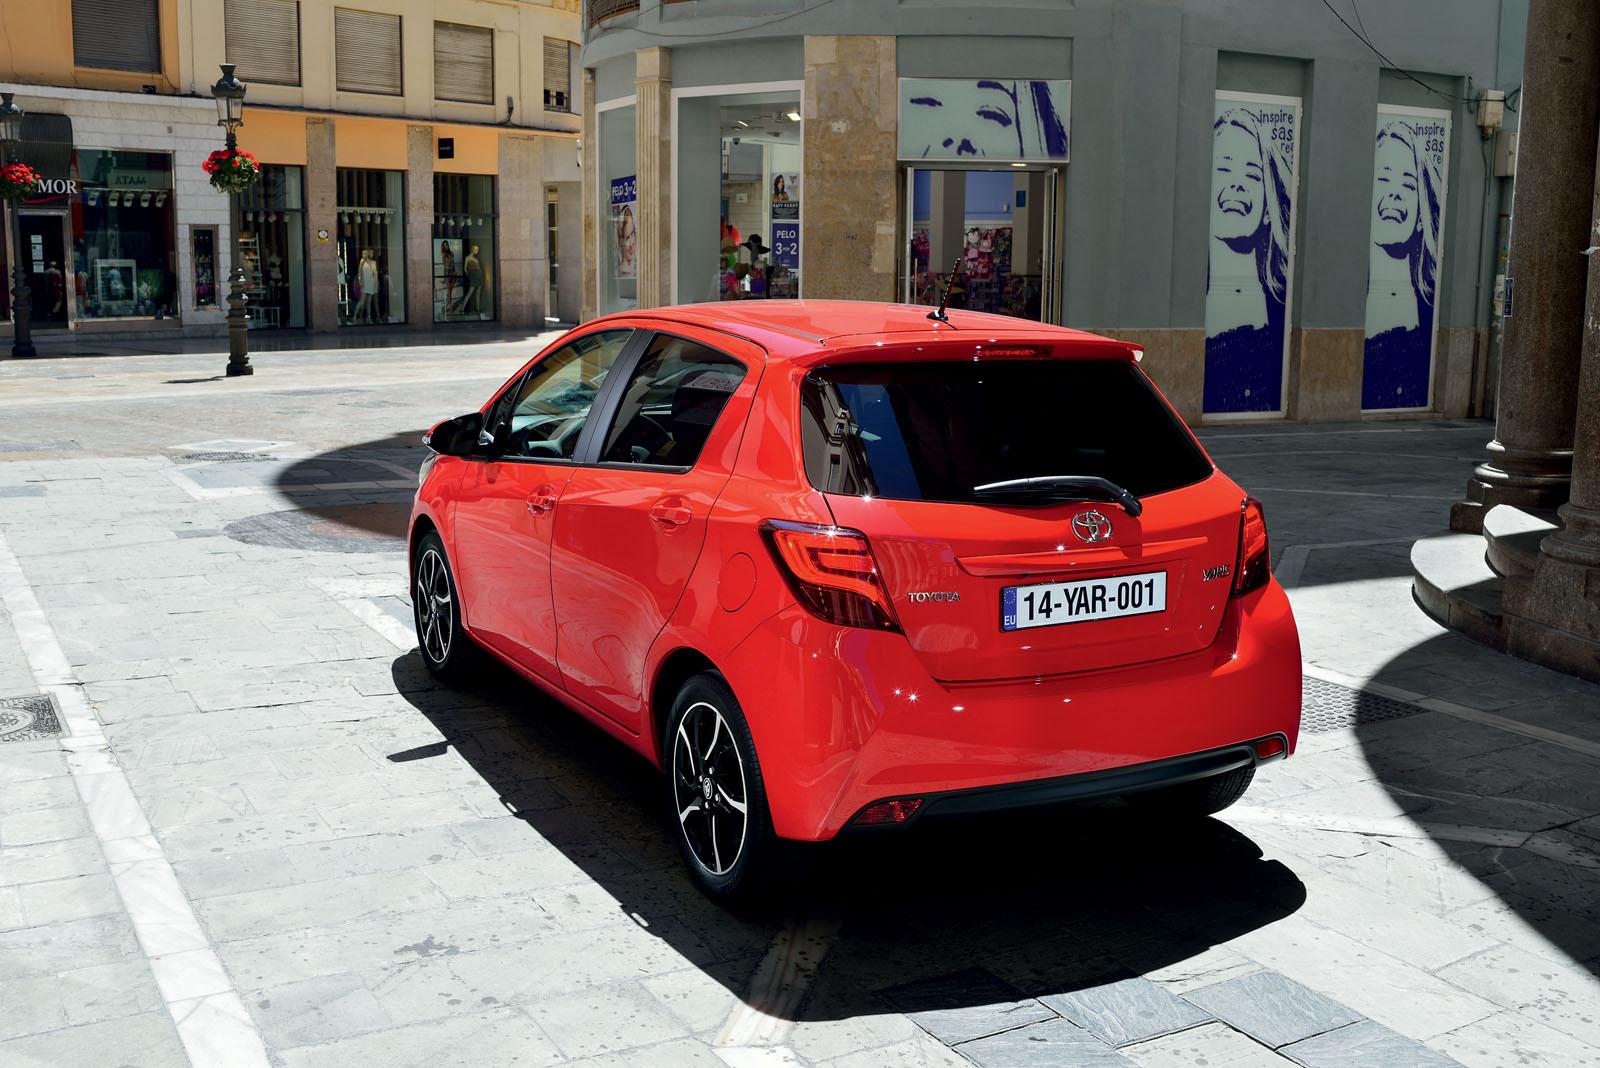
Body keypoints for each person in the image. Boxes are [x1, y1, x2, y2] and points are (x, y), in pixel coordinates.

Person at [1204, 107, 1294, 413]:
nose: (1237, 184)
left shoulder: (1280, 311)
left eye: (1253, 175)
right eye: (1224, 169)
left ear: (1268, 207)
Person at [1362, 121, 1443, 410]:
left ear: (1421, 215)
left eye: (1408, 184)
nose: (1395, 194)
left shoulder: (1427, 312)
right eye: (1384, 179)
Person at [354, 248, 380, 323]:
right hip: (365, 284)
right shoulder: (362, 261)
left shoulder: (373, 262)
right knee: (362, 301)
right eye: (370, 253)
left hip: (372, 283)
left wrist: (377, 284)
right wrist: (360, 282)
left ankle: (369, 318)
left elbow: (375, 274)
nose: (371, 254)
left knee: (369, 302)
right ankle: (354, 316)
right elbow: (359, 273)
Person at [460, 245, 485, 316]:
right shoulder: (467, 258)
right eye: (476, 249)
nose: (477, 251)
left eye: (478, 250)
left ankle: (477, 309)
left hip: (479, 275)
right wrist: (469, 276)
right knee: (470, 293)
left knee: (478, 293)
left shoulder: (476, 259)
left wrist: (481, 275)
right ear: (472, 249)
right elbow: (465, 269)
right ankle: (462, 308)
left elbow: (479, 268)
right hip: (473, 276)